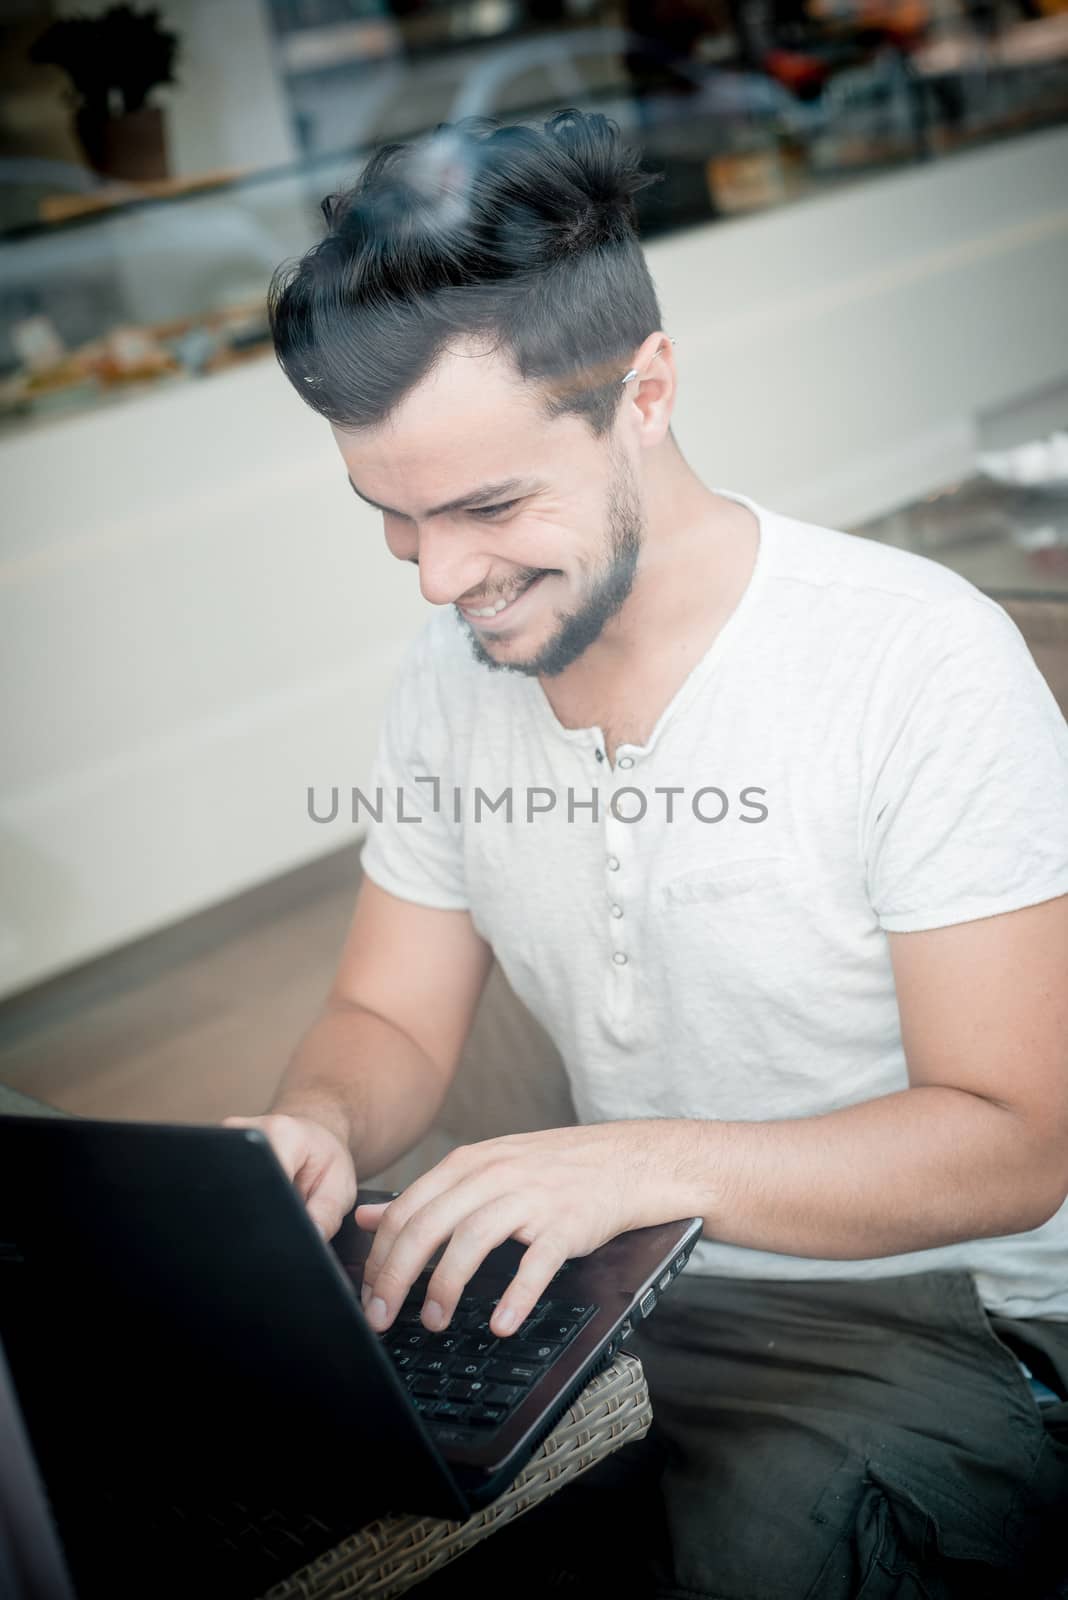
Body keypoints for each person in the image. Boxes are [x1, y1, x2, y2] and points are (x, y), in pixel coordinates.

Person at [225, 110, 1068, 1597]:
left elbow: (1015, 1142)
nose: (441, 577)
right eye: (392, 520)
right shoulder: (445, 678)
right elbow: (385, 1020)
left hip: (927, 1318)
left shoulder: (914, 659)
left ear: (647, 393)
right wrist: (315, 1131)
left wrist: (631, 1166)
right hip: (606, 1299)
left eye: (488, 507)